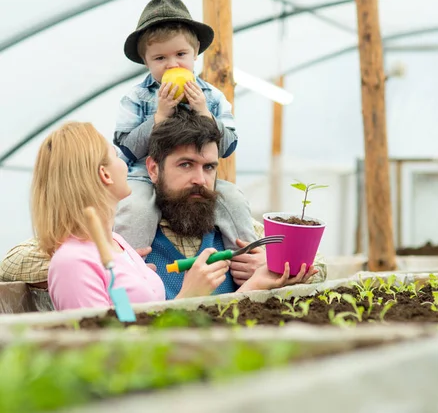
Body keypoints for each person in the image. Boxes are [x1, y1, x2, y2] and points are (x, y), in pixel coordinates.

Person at [30, 121, 316, 311]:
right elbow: (105, 353)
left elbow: (129, 321)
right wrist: (189, 296)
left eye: (209, 168)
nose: (201, 180)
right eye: (186, 165)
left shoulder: (119, 244)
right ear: (104, 173)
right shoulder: (73, 262)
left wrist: (256, 283)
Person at [113, 0, 255, 252]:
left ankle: (249, 261)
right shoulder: (136, 97)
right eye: (160, 58)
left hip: (197, 177)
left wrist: (203, 111)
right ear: (145, 61)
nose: (172, 64)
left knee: (233, 198)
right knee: (136, 207)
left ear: (195, 53)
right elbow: (125, 148)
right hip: (143, 178)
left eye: (180, 54)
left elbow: (228, 147)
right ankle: (127, 269)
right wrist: (160, 117)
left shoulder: (211, 97)